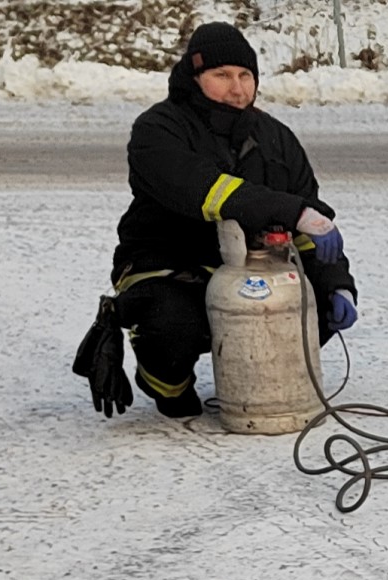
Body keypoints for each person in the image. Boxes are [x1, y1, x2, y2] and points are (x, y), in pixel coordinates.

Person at [89, 22, 357, 418]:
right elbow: (203, 189)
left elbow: (306, 224)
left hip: (248, 267)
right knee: (173, 324)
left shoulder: (276, 137)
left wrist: (337, 284)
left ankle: (252, 385)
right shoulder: (158, 129)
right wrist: (291, 211)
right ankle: (164, 382)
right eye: (222, 75)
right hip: (165, 264)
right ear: (194, 78)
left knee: (311, 305)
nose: (237, 88)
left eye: (245, 75)